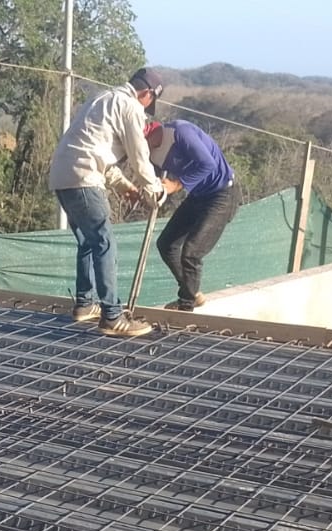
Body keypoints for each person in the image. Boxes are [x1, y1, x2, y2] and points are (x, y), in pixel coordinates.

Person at [48, 68, 166, 337]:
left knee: (88, 242)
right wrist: (154, 189)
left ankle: (85, 304)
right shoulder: (130, 107)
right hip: (85, 178)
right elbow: (139, 156)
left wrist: (125, 186)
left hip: (62, 177)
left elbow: (94, 150)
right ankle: (112, 316)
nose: (148, 108)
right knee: (104, 242)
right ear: (146, 94)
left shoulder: (101, 100)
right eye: (150, 102)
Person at [141, 121, 241, 312]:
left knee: (192, 252)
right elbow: (158, 181)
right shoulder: (150, 154)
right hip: (198, 195)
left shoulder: (180, 132)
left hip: (222, 193)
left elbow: (207, 164)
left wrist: (176, 185)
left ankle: (185, 307)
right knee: (167, 244)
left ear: (151, 131)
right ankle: (192, 293)